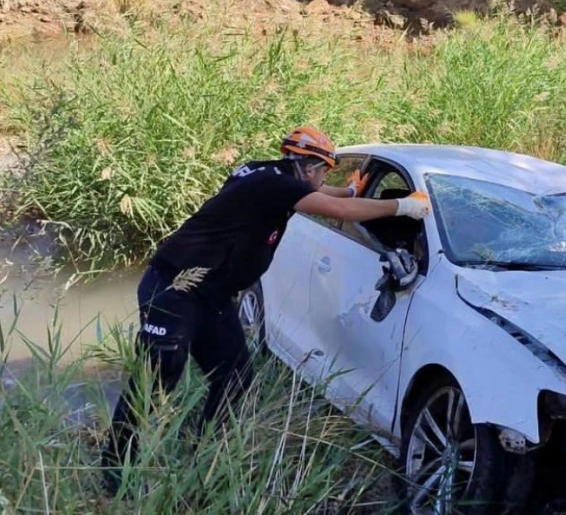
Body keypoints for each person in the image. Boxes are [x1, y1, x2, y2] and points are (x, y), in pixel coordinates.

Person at [100, 125, 431, 494]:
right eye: (324, 170)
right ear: (309, 167)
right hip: (174, 289)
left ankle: (200, 453)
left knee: (235, 374)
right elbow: (336, 208)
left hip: (212, 295)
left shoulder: (264, 171)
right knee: (157, 379)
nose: (324, 178)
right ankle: (116, 470)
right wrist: (403, 206)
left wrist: (352, 189)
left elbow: (322, 194)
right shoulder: (279, 186)